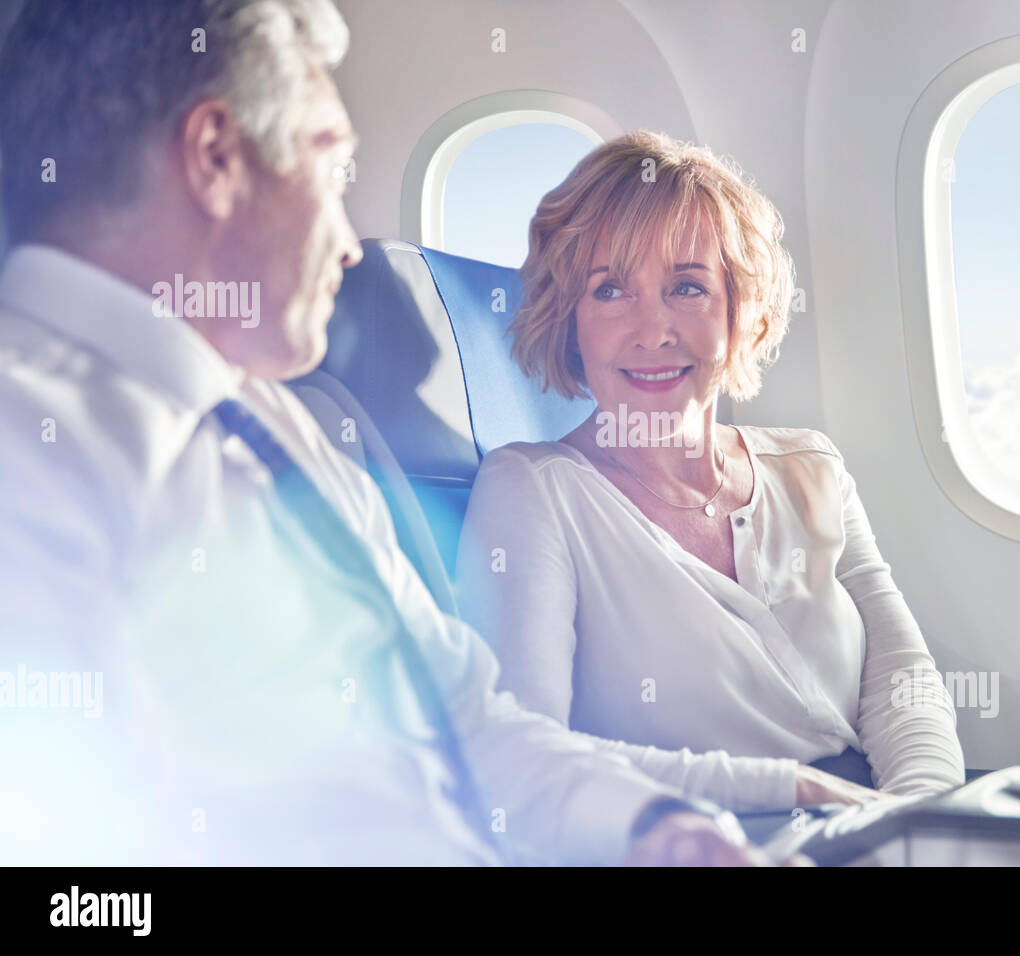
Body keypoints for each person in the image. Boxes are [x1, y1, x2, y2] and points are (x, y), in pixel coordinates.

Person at [0, 0, 787, 866]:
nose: (348, 247)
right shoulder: (27, 451)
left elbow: (474, 723)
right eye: (330, 171)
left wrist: (665, 831)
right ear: (217, 158)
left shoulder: (277, 430)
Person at [455, 131, 967, 814]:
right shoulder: (534, 493)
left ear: (743, 314)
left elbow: (902, 680)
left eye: (687, 287)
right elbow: (525, 754)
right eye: (609, 290)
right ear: (568, 321)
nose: (652, 329)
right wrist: (791, 791)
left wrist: (921, 822)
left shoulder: (810, 467)